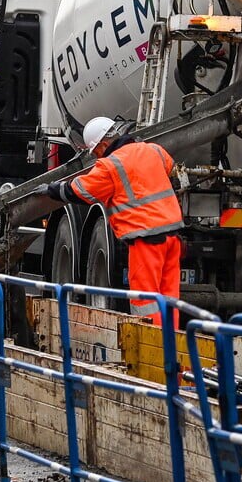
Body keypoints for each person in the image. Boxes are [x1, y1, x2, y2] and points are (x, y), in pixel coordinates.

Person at [44, 116, 182, 325]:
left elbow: (80, 191)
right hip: (172, 235)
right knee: (169, 297)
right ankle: (172, 344)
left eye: (96, 151)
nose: (96, 156)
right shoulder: (153, 150)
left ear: (104, 144)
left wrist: (51, 190)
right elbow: (170, 170)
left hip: (145, 240)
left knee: (146, 300)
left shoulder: (110, 166)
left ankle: (153, 349)